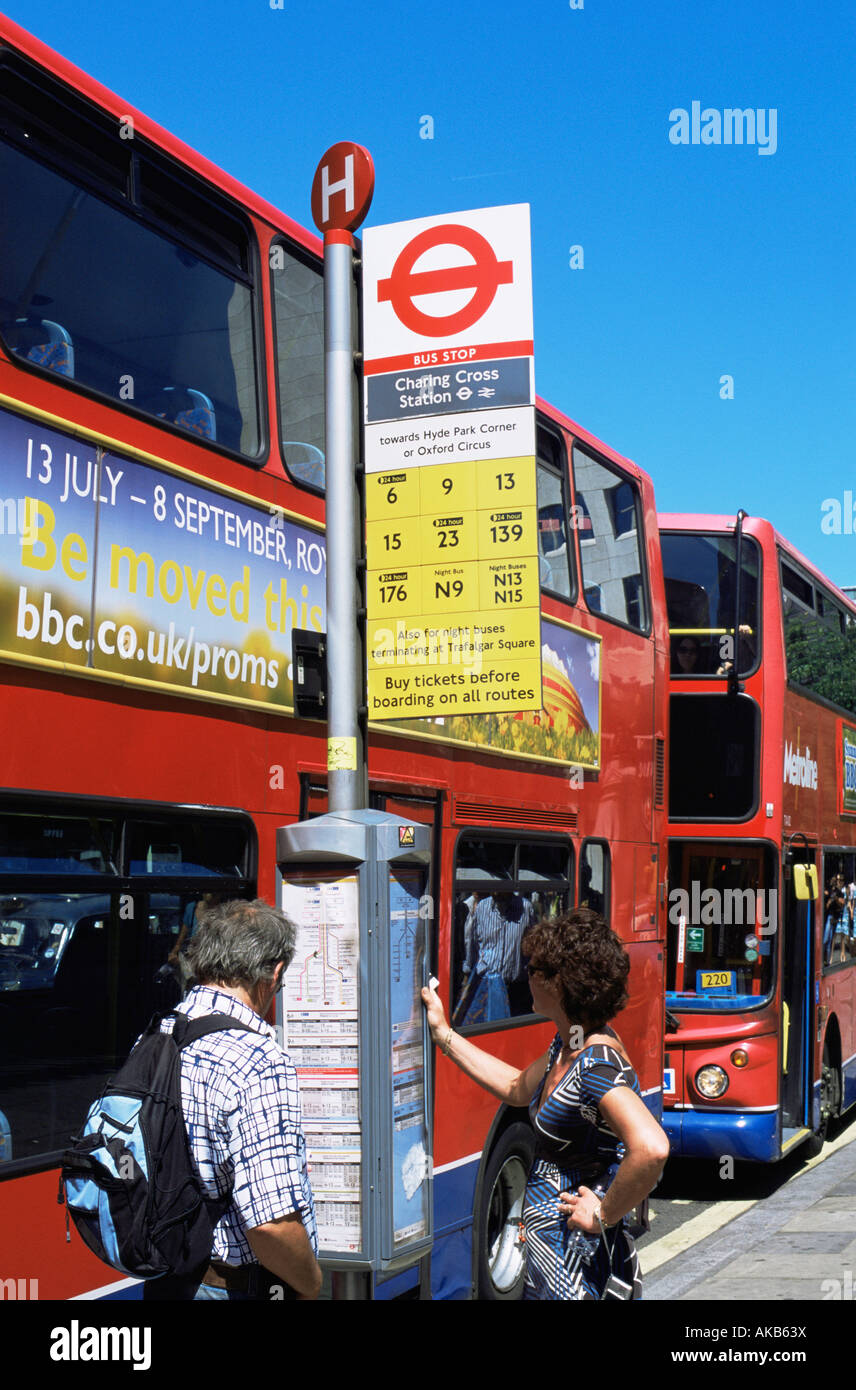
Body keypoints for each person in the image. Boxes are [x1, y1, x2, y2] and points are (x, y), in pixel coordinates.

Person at [423, 908, 669, 1300]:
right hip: (549, 1262)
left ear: (561, 983)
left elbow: (652, 1148)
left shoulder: (595, 1065)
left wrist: (603, 1214)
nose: (525, 976)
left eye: (534, 968)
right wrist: (445, 1036)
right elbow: (517, 1086)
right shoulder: (570, 1041)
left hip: (576, 1268)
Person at [145, 897, 321, 1301]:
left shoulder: (156, 1036)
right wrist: (311, 1284)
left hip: (167, 1277)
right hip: (231, 1287)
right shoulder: (258, 1061)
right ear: (273, 974)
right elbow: (270, 1224)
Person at [454, 890, 535, 1024]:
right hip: (487, 987)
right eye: (494, 889)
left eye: (502, 890)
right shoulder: (482, 908)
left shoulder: (526, 908)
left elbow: (533, 944)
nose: (497, 893)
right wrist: (467, 975)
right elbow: (473, 943)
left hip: (517, 989)